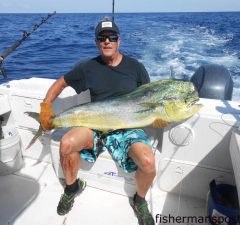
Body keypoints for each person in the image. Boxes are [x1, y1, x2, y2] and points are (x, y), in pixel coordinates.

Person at [39, 17, 156, 225]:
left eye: (112, 37)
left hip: (126, 127)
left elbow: (148, 98)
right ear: (96, 42)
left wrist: (158, 116)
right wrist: (46, 106)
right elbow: (61, 83)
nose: (107, 41)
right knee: (66, 143)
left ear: (119, 41)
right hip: (95, 123)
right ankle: (72, 187)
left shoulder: (136, 67)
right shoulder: (87, 67)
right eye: (102, 38)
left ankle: (139, 200)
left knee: (148, 162)